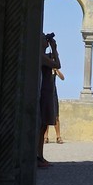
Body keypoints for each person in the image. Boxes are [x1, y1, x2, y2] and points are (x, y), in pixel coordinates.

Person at [38, 33, 61, 168]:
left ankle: (40, 156)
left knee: (43, 125)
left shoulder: (44, 55)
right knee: (41, 126)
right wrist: (54, 48)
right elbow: (57, 65)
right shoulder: (40, 56)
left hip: (46, 92)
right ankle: (38, 156)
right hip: (44, 93)